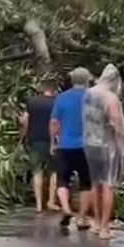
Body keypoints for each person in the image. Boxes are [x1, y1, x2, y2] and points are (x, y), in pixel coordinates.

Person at [83, 64, 124, 240]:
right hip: (107, 145)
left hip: (89, 143)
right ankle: (104, 227)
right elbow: (116, 124)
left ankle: (95, 223)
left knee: (95, 183)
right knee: (108, 185)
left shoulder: (88, 94)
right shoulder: (111, 98)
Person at [50, 67, 93, 230]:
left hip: (65, 145)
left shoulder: (61, 98)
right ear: (88, 80)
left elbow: (54, 123)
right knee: (86, 183)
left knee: (62, 179)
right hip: (87, 146)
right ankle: (82, 218)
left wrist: (53, 143)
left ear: (72, 80)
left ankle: (66, 209)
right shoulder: (93, 98)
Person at [19, 81, 59, 212]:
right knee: (54, 172)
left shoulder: (32, 102)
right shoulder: (57, 103)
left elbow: (24, 120)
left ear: (41, 89)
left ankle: (38, 205)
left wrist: (23, 136)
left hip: (35, 140)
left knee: (37, 171)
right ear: (53, 91)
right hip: (52, 141)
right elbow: (57, 122)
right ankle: (51, 201)